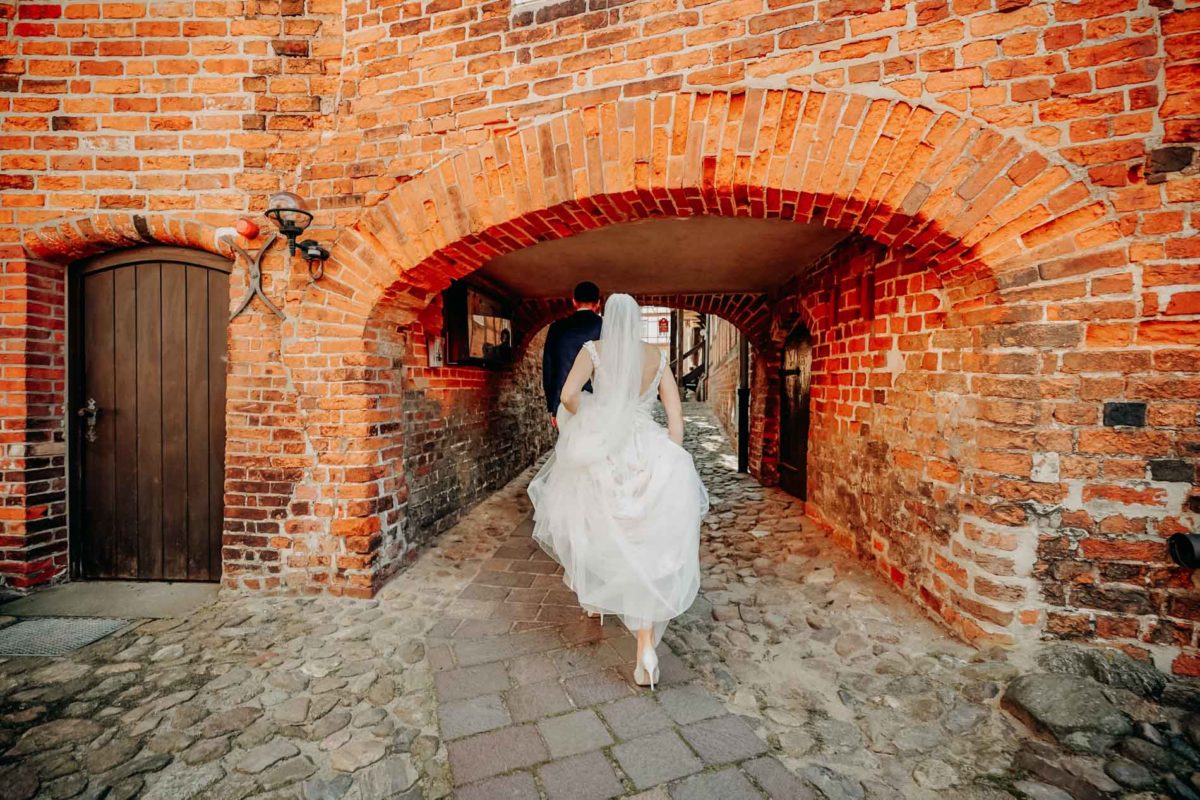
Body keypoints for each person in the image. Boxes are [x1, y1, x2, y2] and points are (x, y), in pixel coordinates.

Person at [528, 293, 708, 689]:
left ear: (607, 319)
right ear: (638, 321)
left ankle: (600, 600)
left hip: (605, 450)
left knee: (602, 528)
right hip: (648, 446)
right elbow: (676, 422)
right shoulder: (658, 358)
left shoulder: (594, 350)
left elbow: (567, 396)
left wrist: (594, 417)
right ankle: (645, 646)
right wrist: (666, 458)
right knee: (645, 543)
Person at [542, 281, 603, 427]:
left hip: (565, 403)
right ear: (598, 303)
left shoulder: (557, 328)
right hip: (599, 403)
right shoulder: (605, 327)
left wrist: (553, 407)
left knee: (569, 447)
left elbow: (549, 369)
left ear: (574, 301)